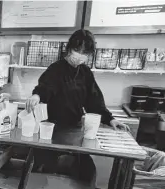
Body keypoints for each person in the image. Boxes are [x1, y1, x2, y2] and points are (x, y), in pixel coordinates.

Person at [25, 29, 129, 174]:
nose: (79, 56)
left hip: (75, 129)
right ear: (69, 48)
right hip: (52, 129)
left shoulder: (85, 73)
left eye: (84, 53)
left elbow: (94, 102)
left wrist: (110, 119)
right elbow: (45, 88)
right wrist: (36, 96)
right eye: (76, 50)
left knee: (78, 170)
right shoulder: (56, 69)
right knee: (47, 170)